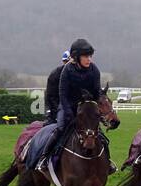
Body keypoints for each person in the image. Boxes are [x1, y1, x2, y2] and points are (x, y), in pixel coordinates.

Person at [35, 38, 115, 171]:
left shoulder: (94, 70)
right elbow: (63, 95)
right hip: (68, 106)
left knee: (99, 134)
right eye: (86, 56)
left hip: (86, 107)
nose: (89, 59)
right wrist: (69, 113)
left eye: (90, 56)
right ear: (77, 57)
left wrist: (97, 111)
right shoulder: (67, 70)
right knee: (60, 129)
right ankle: (44, 158)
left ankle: (108, 162)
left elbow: (96, 93)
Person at [43, 49, 71, 123]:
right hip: (56, 107)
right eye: (66, 62)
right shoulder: (55, 75)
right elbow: (51, 97)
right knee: (59, 126)